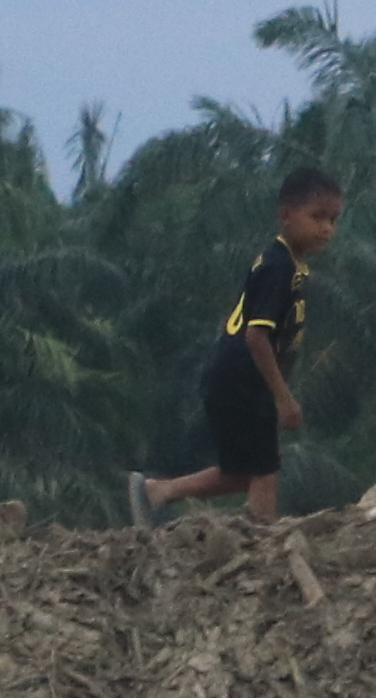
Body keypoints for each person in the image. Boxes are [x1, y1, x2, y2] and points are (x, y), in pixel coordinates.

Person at [135, 166, 342, 522]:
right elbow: (256, 337)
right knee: (265, 473)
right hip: (243, 378)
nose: (326, 227)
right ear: (286, 216)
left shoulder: (289, 267)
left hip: (239, 379)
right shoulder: (278, 268)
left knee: (244, 470)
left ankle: (159, 491)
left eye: (333, 219)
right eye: (317, 216)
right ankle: (262, 541)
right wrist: (283, 397)